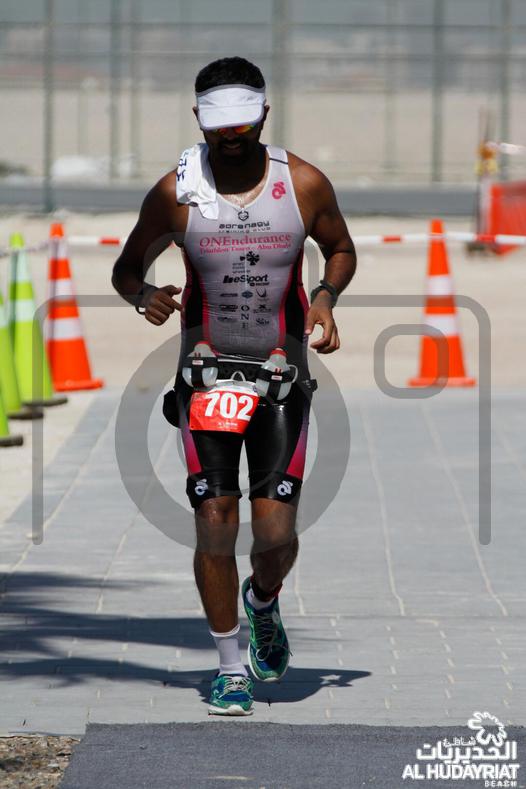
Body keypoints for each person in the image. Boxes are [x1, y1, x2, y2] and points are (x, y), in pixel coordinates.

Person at [112, 56, 356, 716]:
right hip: (205, 378)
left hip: (281, 378)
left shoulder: (302, 183)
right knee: (215, 523)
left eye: (242, 123)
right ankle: (229, 667)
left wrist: (325, 297)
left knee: (275, 535)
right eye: (218, 125)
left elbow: (341, 246)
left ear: (264, 116)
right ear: (199, 119)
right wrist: (142, 295)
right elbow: (126, 266)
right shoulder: (176, 192)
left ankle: (263, 600)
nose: (230, 136)